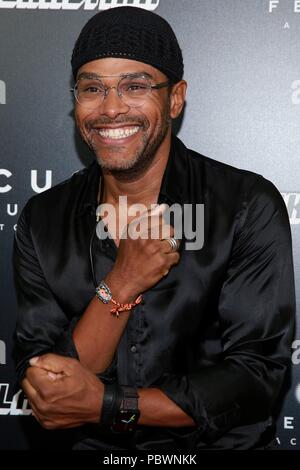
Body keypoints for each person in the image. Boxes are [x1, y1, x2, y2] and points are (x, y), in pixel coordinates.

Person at [13, 6, 295, 451]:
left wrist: (108, 405)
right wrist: (121, 283)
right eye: (92, 88)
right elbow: (49, 384)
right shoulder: (43, 218)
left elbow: (255, 379)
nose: (110, 108)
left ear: (175, 97)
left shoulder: (243, 205)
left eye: (135, 86)